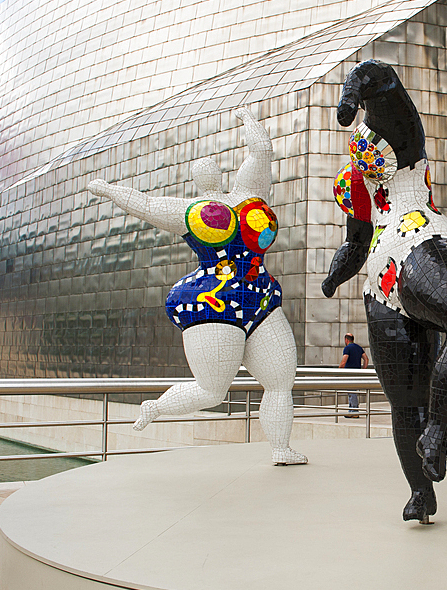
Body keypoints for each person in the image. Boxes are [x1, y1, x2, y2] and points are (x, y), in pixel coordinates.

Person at [322, 60, 447, 523]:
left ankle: (436, 434)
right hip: (390, 262)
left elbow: (377, 76)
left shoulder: (396, 142)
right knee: (406, 398)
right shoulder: (353, 181)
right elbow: (355, 242)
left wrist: (350, 97)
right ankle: (421, 490)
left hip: (413, 240)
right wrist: (334, 277)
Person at [86, 107, 307, 466]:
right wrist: (111, 192)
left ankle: (281, 448)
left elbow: (262, 154)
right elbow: (145, 205)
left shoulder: (247, 195)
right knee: (212, 391)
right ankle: (156, 407)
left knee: (281, 379)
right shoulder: (191, 211)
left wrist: (252, 127)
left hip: (260, 298)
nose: (209, 168)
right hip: (214, 300)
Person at [338, 333, 369, 416]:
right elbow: (366, 359)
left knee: (351, 392)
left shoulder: (347, 348)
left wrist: (339, 370)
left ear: (346, 340)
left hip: (349, 373)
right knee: (352, 391)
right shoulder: (359, 348)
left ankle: (354, 411)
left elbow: (344, 361)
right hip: (357, 372)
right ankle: (351, 410)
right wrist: (363, 370)